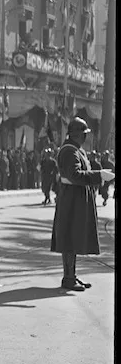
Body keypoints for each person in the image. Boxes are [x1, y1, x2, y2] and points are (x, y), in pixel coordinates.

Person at [50, 117, 114, 291]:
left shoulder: (77, 150)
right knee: (70, 238)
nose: (86, 138)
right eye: (84, 134)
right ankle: (68, 279)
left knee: (74, 237)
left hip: (75, 199)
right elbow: (75, 175)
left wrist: (98, 173)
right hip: (71, 200)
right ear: (78, 135)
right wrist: (98, 175)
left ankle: (71, 276)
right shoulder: (69, 151)